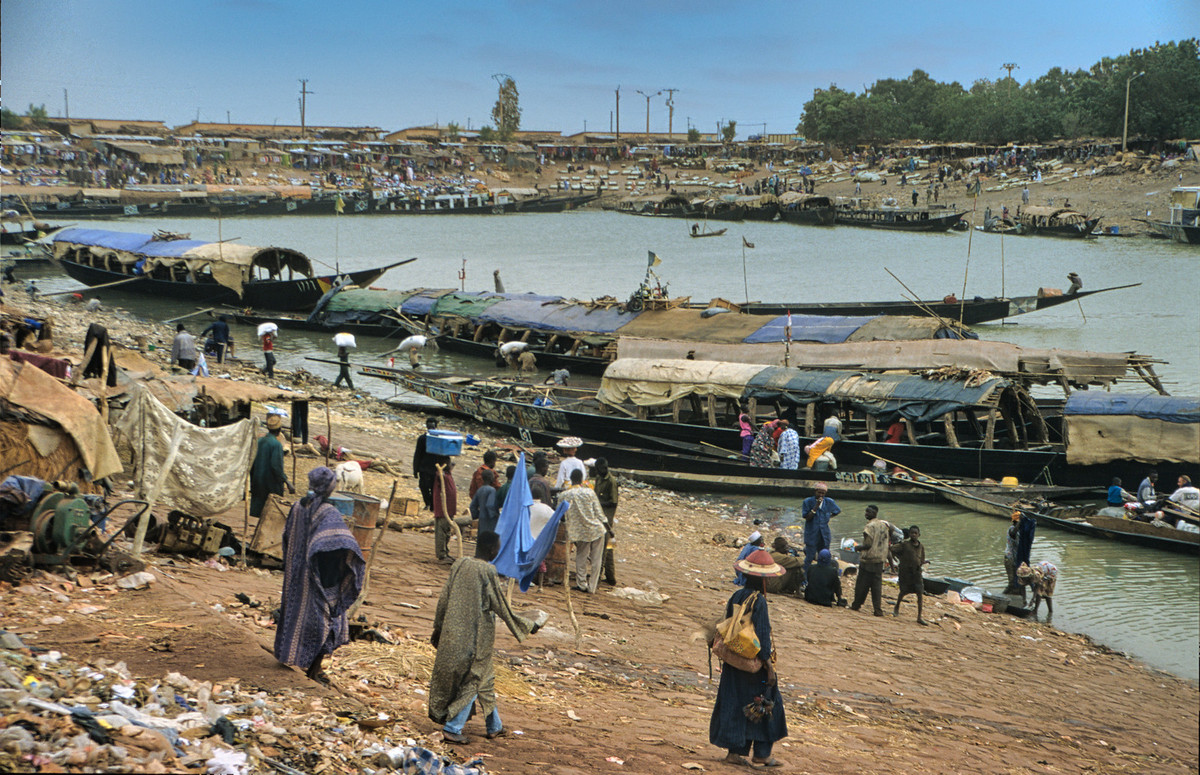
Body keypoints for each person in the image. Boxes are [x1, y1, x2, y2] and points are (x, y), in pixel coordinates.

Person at [428, 530, 541, 744]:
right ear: (492, 549)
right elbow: (501, 605)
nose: (499, 550)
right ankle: (453, 728)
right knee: (474, 680)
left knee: (485, 678)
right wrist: (526, 625)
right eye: (498, 547)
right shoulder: (487, 571)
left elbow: (444, 597)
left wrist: (438, 627)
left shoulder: (460, 564)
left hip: (454, 635)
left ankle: (494, 726)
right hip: (475, 638)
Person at [274, 466, 365, 682]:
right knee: (328, 623)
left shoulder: (297, 506)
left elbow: (287, 537)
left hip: (297, 575)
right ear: (331, 488)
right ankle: (313, 670)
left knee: (297, 618)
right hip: (321, 580)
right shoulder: (328, 513)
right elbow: (342, 545)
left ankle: (296, 658)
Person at [709, 549, 788, 767]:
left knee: (735, 704)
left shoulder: (737, 596)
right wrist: (768, 666)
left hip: (734, 661)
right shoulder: (759, 602)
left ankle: (735, 752)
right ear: (764, 580)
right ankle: (762, 753)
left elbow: (727, 624)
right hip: (753, 665)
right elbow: (762, 636)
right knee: (767, 705)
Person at [560, 468, 606, 593]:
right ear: (582, 479)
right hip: (596, 529)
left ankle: (581, 584)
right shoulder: (589, 492)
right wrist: (609, 528)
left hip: (580, 531)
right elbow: (599, 513)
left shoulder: (564, 495)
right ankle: (592, 587)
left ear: (571, 479)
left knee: (581, 557)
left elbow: (560, 513)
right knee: (597, 559)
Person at [849, 505, 892, 617]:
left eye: (869, 512)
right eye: (866, 511)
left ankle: (856, 604)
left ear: (875, 513)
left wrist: (858, 548)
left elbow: (868, 544)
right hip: (879, 559)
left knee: (862, 584)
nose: (866, 513)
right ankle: (877, 609)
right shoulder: (884, 525)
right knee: (876, 586)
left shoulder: (869, 527)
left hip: (868, 559)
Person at [250, 413, 294, 517]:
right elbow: (276, 467)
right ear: (280, 429)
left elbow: (252, 461)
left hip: (257, 480)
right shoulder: (276, 445)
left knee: (257, 510)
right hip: (270, 483)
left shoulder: (259, 441)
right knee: (271, 512)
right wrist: (287, 482)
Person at [890, 526, 929, 625]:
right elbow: (892, 549)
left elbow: (921, 559)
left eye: (915, 533)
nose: (913, 535)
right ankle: (897, 607)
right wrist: (897, 559)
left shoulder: (921, 547)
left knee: (920, 593)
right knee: (903, 591)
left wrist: (924, 562)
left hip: (916, 573)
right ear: (909, 534)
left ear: (919, 535)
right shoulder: (905, 545)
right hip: (906, 572)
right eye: (912, 533)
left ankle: (919, 617)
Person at [591, 457, 619, 586]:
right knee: (609, 547)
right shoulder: (599, 479)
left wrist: (598, 503)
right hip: (599, 515)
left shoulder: (611, 481)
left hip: (606, 518)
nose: (604, 470)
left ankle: (597, 577)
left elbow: (613, 502)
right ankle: (610, 577)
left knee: (602, 548)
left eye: (605, 468)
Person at [800, 483, 840, 566]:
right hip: (812, 534)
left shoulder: (829, 502)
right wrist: (816, 506)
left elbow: (837, 511)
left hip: (824, 534)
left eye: (823, 493)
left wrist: (828, 517)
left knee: (824, 556)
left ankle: (821, 575)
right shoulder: (808, 502)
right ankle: (806, 576)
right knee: (809, 557)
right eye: (819, 493)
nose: (821, 495)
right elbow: (807, 517)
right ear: (815, 491)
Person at [412, 417, 447, 510]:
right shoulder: (423, 439)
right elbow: (418, 455)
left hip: (433, 468)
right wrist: (415, 470)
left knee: (431, 487)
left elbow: (417, 455)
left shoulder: (436, 439)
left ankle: (431, 504)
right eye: (429, 423)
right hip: (427, 468)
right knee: (426, 487)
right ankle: (429, 504)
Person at [432, 459, 458, 563]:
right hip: (443, 509)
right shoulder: (441, 476)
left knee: (446, 531)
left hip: (449, 509)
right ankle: (442, 554)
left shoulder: (448, 475)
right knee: (442, 531)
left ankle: (445, 552)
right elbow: (439, 474)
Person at [469, 468, 500, 537]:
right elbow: (490, 505)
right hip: (490, 520)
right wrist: (495, 516)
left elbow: (472, 506)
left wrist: (476, 515)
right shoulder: (492, 490)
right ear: (490, 478)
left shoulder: (480, 490)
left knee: (481, 539)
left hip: (482, 519)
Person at [1003, 510, 1023, 595]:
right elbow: (1014, 532)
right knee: (1011, 583)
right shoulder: (1012, 529)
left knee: (1018, 582)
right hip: (1009, 558)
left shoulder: (1020, 531)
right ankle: (1002, 597)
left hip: (1016, 559)